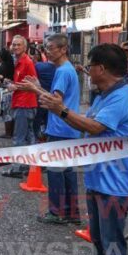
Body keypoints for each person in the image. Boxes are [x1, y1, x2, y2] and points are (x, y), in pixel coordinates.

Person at [26, 44, 128, 255]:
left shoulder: (122, 98)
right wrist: (40, 94)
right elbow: (81, 118)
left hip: (115, 184)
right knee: (100, 240)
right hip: (97, 178)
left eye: (90, 67)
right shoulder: (106, 95)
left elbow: (94, 127)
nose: (87, 72)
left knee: (113, 244)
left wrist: (62, 111)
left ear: (101, 68)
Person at [43, 33, 81, 224]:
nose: (47, 52)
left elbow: (56, 101)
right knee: (68, 173)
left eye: (51, 48)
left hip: (60, 129)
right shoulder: (67, 69)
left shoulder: (63, 71)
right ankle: (72, 213)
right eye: (46, 48)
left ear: (63, 49)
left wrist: (34, 89)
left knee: (56, 172)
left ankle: (56, 212)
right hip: (68, 129)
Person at [4, 35, 38, 178]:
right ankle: (30, 166)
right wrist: (13, 83)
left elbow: (33, 83)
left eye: (18, 45)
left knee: (19, 137)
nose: (15, 47)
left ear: (25, 47)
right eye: (14, 44)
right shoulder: (21, 61)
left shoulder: (26, 62)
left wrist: (14, 86)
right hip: (26, 103)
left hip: (24, 104)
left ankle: (17, 168)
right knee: (29, 137)